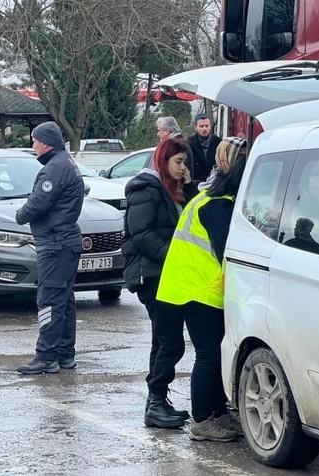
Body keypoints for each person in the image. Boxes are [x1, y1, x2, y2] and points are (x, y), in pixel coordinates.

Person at [156, 152, 249, 443]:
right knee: (209, 356)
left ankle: (217, 414)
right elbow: (226, 254)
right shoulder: (218, 206)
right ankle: (201, 422)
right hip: (199, 289)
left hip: (185, 285)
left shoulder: (206, 196)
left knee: (212, 354)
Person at [121, 137, 191, 429]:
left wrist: (187, 185)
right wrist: (171, 257)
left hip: (165, 274)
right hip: (151, 275)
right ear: (163, 161)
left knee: (161, 341)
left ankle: (157, 402)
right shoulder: (146, 190)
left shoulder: (170, 190)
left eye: (185, 162)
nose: (182, 167)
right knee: (172, 344)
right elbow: (141, 234)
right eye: (178, 162)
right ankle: (156, 402)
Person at [15, 121, 84, 374]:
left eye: (34, 141)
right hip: (65, 242)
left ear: (45, 143)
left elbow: (37, 204)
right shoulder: (66, 163)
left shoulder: (53, 169)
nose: (33, 146)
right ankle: (65, 354)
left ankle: (46, 356)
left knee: (48, 301)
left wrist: (20, 214)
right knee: (64, 301)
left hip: (55, 244)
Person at [186, 114, 222, 187]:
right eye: (201, 126)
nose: (204, 129)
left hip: (215, 184)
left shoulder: (219, 142)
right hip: (196, 184)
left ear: (210, 126)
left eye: (207, 126)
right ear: (196, 127)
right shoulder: (189, 144)